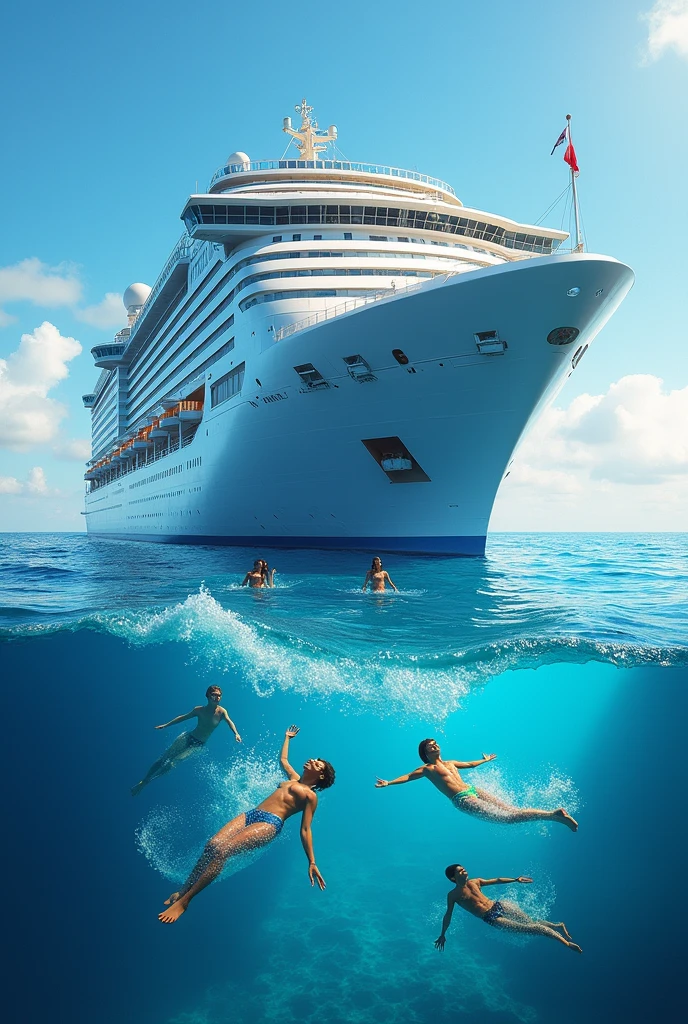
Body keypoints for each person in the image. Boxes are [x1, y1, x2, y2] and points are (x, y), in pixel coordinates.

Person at [158, 725, 335, 923]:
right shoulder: (293, 778)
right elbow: (283, 760)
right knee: (212, 846)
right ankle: (182, 892)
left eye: (317, 764)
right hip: (252, 814)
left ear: (320, 776)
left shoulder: (310, 796)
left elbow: (305, 829)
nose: (312, 760)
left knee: (223, 851)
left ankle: (185, 902)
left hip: (271, 823)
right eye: (314, 760)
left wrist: (312, 861)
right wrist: (287, 738)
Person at [375, 738, 577, 830]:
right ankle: (553, 815)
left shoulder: (450, 762)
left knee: (511, 813)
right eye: (430, 746)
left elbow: (470, 764)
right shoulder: (428, 769)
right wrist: (389, 783)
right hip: (462, 799)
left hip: (473, 791)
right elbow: (409, 777)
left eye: (436, 743)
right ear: (425, 753)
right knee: (508, 819)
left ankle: (553, 815)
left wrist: (485, 760)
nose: (435, 746)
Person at [435, 864, 581, 953]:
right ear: (453, 878)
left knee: (531, 922)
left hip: (500, 905)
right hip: (492, 918)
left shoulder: (475, 882)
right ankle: (564, 939)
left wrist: (515, 880)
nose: (464, 870)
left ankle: (560, 930)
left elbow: (497, 880)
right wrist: (443, 934)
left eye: (464, 868)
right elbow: (448, 915)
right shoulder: (453, 895)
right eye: (460, 871)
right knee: (531, 928)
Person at [131, 686, 241, 796]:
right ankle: (145, 779)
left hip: (198, 745)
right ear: (208, 696)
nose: (217, 697)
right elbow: (182, 717)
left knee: (171, 763)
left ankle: (148, 782)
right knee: (165, 758)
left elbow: (229, 722)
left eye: (219, 695)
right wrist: (166, 725)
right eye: (214, 695)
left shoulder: (222, 712)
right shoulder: (199, 710)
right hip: (187, 738)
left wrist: (236, 733)